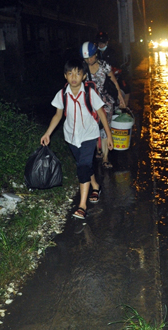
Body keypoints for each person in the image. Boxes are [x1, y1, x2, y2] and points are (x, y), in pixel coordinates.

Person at [40, 59, 113, 219]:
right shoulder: (61, 94)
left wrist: (108, 135)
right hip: (71, 137)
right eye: (70, 73)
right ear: (65, 76)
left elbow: (101, 112)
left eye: (78, 73)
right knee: (83, 165)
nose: (74, 77)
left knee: (83, 167)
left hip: (89, 135)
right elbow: (58, 115)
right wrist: (48, 133)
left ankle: (82, 205)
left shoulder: (89, 93)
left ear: (84, 76)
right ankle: (95, 186)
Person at [81, 41, 125, 169]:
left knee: (106, 128)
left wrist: (120, 98)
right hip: (90, 102)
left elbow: (114, 82)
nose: (89, 60)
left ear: (95, 54)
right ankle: (98, 149)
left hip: (106, 101)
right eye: (86, 58)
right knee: (93, 126)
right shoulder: (82, 69)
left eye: (91, 56)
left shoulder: (104, 66)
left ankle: (105, 157)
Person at [95, 32, 130, 106]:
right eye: (99, 43)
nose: (101, 45)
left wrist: (116, 70)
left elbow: (117, 64)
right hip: (98, 78)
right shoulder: (95, 53)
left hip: (112, 76)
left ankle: (124, 106)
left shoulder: (112, 52)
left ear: (107, 42)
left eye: (103, 43)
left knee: (126, 88)